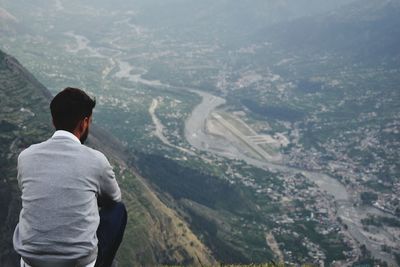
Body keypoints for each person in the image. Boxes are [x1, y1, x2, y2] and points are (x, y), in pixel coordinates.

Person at [13, 87, 127, 267]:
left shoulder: (25, 157)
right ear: (84, 122)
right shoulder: (96, 160)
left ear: (53, 121)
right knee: (118, 211)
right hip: (79, 263)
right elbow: (114, 199)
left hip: (30, 262)